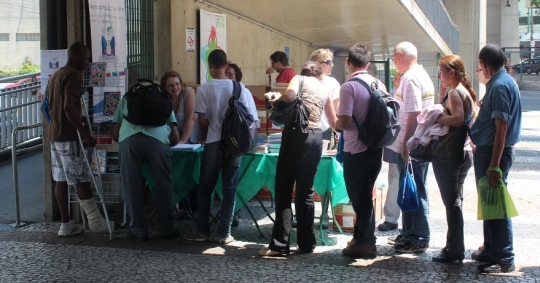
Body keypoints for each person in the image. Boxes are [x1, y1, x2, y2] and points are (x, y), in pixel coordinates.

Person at [259, 61, 337, 256]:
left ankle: (279, 245)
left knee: (284, 188)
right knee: (306, 191)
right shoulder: (323, 88)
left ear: (304, 72)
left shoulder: (298, 79)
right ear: (320, 74)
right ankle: (306, 243)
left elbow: (290, 96)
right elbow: (334, 122)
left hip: (296, 135)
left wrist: (277, 98)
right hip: (316, 138)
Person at [183, 49, 258, 244]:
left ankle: (202, 231)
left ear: (210, 66)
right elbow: (253, 119)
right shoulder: (241, 88)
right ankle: (224, 233)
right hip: (235, 145)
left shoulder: (205, 89)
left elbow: (202, 121)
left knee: (205, 187)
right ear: (226, 66)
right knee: (230, 188)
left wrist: (208, 132)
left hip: (213, 143)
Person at [47, 42, 113, 237]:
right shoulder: (73, 75)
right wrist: (85, 133)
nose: (88, 62)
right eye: (86, 58)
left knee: (60, 179)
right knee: (81, 179)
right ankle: (96, 222)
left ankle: (66, 223)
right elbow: (68, 106)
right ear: (76, 57)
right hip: (69, 136)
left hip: (55, 134)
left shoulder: (57, 74)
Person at [471, 44, 522, 273]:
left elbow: (501, 128)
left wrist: (493, 165)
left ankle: (505, 256)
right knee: (490, 204)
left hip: (493, 153)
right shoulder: (501, 82)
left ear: (484, 65)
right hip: (490, 150)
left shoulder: (500, 86)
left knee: (496, 206)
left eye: (479, 65)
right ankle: (493, 250)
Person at [111, 79, 180, 241]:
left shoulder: (127, 99)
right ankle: (166, 228)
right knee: (163, 183)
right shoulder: (162, 99)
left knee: (131, 184)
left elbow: (114, 132)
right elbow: (175, 136)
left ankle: (138, 229)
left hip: (129, 140)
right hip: (158, 142)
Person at [336, 44, 384, 258]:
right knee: (365, 196)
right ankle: (359, 238)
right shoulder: (378, 83)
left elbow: (345, 121)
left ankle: (367, 243)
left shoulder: (348, 87)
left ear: (348, 62)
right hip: (375, 148)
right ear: (368, 64)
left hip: (356, 150)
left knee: (360, 198)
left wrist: (335, 122)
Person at [387, 41, 435, 254]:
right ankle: (409, 234)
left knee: (414, 190)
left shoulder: (410, 78)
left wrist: (407, 145)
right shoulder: (421, 75)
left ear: (399, 55)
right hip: (418, 143)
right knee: (411, 189)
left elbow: (414, 114)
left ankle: (418, 237)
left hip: (412, 145)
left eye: (393, 57)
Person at [429, 54, 477, 263]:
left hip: (449, 155)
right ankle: (453, 245)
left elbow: (457, 120)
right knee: (455, 201)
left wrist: (436, 117)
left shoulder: (455, 93)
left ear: (451, 72)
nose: (439, 76)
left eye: (441, 72)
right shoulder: (465, 91)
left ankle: (454, 249)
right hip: (463, 153)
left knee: (452, 203)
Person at [309, 48, 341, 229]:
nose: (331, 65)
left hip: (326, 131)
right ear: (318, 64)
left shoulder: (333, 83)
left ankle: (325, 213)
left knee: (324, 172)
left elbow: (335, 112)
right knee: (306, 174)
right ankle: (305, 212)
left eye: (331, 62)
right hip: (306, 131)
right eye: (328, 62)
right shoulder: (303, 80)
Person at [378, 72, 403, 232]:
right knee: (394, 179)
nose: (394, 80)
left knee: (397, 181)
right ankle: (391, 217)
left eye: (397, 77)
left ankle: (393, 218)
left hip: (401, 143)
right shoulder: (393, 95)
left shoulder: (404, 93)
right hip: (394, 143)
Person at [225, 62, 248, 227]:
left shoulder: (242, 91)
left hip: (235, 144)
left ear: (237, 77)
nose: (227, 78)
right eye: (225, 74)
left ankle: (233, 215)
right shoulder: (214, 89)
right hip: (216, 143)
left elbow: (250, 118)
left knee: (233, 183)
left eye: (230, 75)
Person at [161, 71, 198, 144]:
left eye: (177, 84)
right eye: (170, 85)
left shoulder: (188, 92)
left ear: (181, 84)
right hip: (172, 138)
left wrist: (182, 142)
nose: (175, 87)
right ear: (165, 87)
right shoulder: (162, 98)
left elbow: (191, 118)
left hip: (189, 136)